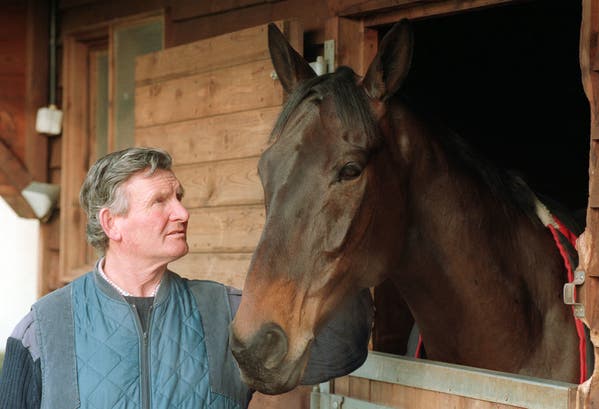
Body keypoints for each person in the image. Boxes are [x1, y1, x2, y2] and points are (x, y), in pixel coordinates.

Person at [0, 147, 373, 409]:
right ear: (112, 224)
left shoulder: (226, 313)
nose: (182, 212)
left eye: (178, 196)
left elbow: (338, 353)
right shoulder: (44, 329)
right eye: (160, 201)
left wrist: (337, 237)